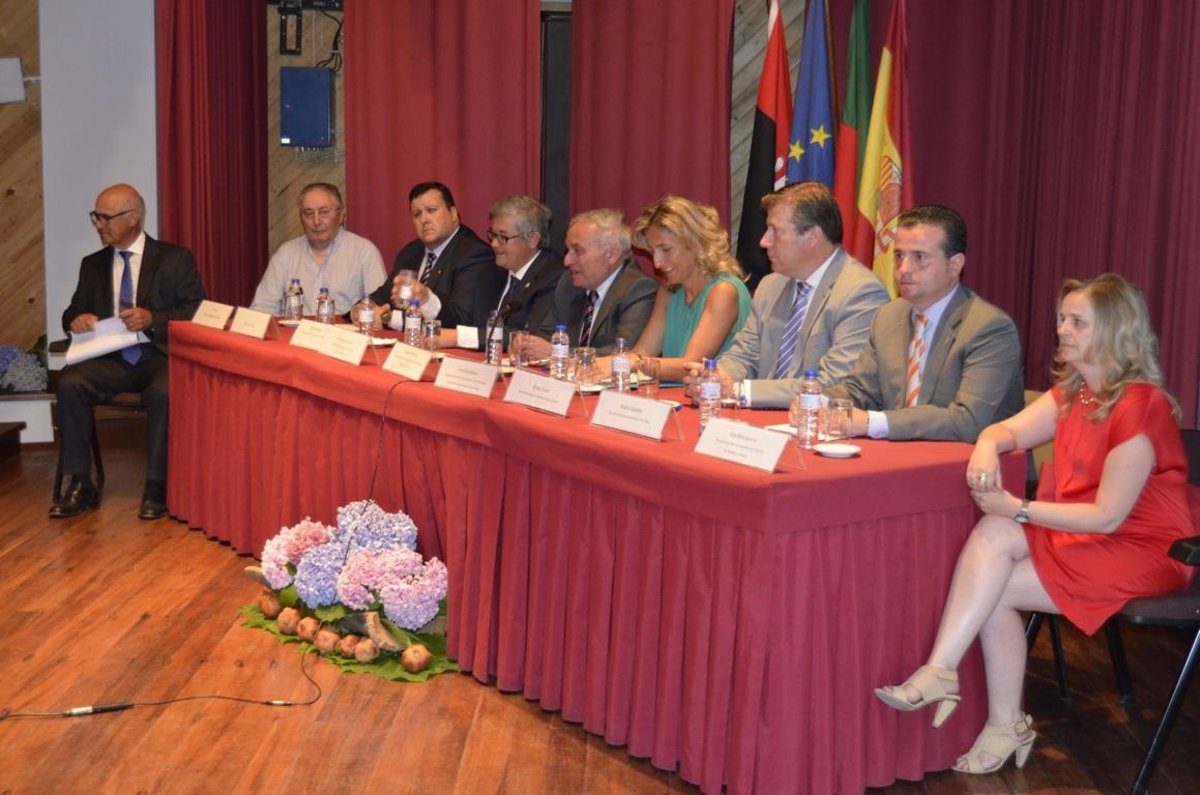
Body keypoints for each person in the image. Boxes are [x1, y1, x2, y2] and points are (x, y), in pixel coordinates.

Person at [875, 273, 1195, 774]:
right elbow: (1005, 430)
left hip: (1144, 548)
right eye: (1062, 319)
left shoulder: (1140, 405)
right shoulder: (1074, 393)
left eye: (1077, 322)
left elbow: (1108, 516)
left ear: (1114, 331)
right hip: (1085, 535)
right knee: (995, 538)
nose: (1062, 330)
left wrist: (1017, 507)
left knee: (996, 571)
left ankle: (993, 714)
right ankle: (946, 674)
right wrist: (988, 444)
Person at [52, 183, 206, 520]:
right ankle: (80, 481)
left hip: (156, 356)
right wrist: (77, 319)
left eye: (105, 218)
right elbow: (71, 311)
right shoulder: (92, 264)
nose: (99, 225)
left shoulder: (174, 259)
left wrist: (153, 318)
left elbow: (195, 310)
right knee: (70, 382)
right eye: (96, 217)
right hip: (110, 360)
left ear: (133, 217)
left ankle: (157, 485)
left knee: (167, 390)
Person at [824, 205, 1023, 442]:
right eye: (899, 256)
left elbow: (967, 421)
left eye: (919, 257)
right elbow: (860, 391)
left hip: (971, 460)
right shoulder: (888, 316)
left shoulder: (989, 328)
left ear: (955, 265)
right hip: (901, 455)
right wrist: (820, 401)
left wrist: (873, 423)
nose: (903, 269)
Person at [685, 181, 888, 408]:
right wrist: (716, 378)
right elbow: (743, 356)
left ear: (813, 236)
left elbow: (834, 382)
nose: (764, 241)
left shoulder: (861, 293)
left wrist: (738, 391)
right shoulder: (770, 285)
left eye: (776, 231)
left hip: (819, 423)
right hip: (761, 421)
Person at [598, 196, 750, 383]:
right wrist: (598, 364)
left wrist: (628, 362)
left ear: (695, 243)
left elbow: (690, 366)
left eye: (665, 249)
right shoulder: (669, 291)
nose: (657, 263)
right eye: (653, 251)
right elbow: (642, 353)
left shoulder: (724, 291)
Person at [361, 181, 503, 330]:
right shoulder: (411, 252)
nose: (424, 220)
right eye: (417, 214)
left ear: (453, 214)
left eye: (431, 210)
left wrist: (388, 317)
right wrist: (362, 309)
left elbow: (462, 320)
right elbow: (382, 296)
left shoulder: (475, 254)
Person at [524, 208, 656, 357]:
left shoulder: (638, 289)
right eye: (568, 250)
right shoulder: (569, 283)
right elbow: (547, 334)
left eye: (577, 251)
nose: (567, 261)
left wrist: (558, 352)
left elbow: (624, 351)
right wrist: (528, 344)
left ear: (611, 255)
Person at [437, 195, 562, 349]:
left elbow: (528, 336)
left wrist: (459, 337)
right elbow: (467, 320)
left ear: (532, 239)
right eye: (493, 235)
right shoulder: (491, 271)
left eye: (503, 237)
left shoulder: (553, 276)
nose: (494, 244)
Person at [249, 183, 385, 318]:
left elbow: (378, 310)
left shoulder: (364, 252)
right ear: (301, 218)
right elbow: (262, 308)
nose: (316, 221)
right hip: (294, 331)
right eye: (308, 213)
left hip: (342, 331)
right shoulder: (286, 254)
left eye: (324, 212)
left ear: (341, 215)